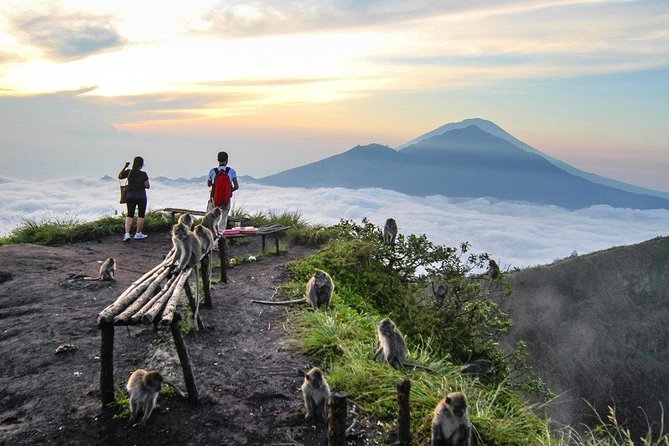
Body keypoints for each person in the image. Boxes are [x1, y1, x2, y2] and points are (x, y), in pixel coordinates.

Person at [118, 156, 150, 241]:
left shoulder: (129, 172)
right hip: (141, 197)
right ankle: (138, 234)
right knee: (141, 215)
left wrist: (125, 167)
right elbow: (147, 186)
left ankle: (127, 234)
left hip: (130, 196)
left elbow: (120, 176)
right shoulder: (143, 174)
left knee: (130, 215)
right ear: (141, 164)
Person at [207, 151, 239, 231]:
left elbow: (209, 184)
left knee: (212, 218)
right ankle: (221, 237)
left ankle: (212, 236)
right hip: (226, 200)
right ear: (227, 160)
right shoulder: (231, 171)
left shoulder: (212, 171)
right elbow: (236, 186)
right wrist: (228, 191)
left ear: (218, 160)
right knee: (223, 220)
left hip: (214, 199)